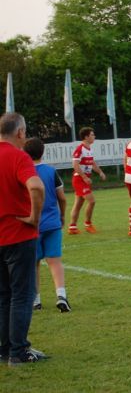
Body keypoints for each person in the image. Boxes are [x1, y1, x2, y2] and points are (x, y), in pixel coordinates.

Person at [0, 112, 49, 365]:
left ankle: (5, 349)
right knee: (21, 294)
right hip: (18, 235)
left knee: (3, 295)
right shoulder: (19, 157)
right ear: (20, 132)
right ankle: (18, 352)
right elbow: (37, 186)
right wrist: (34, 217)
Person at [23, 138, 70, 313]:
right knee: (55, 261)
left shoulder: (25, 173)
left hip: (32, 224)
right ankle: (61, 295)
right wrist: (62, 215)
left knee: (33, 263)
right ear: (43, 152)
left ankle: (36, 300)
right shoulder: (51, 171)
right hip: (52, 223)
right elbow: (62, 198)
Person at [68, 127, 106, 235]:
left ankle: (72, 227)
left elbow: (92, 163)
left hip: (84, 180)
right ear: (86, 137)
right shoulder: (80, 149)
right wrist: (84, 177)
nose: (94, 136)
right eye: (92, 135)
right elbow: (75, 165)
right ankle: (88, 224)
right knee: (92, 201)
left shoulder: (89, 149)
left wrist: (100, 172)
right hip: (79, 179)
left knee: (78, 204)